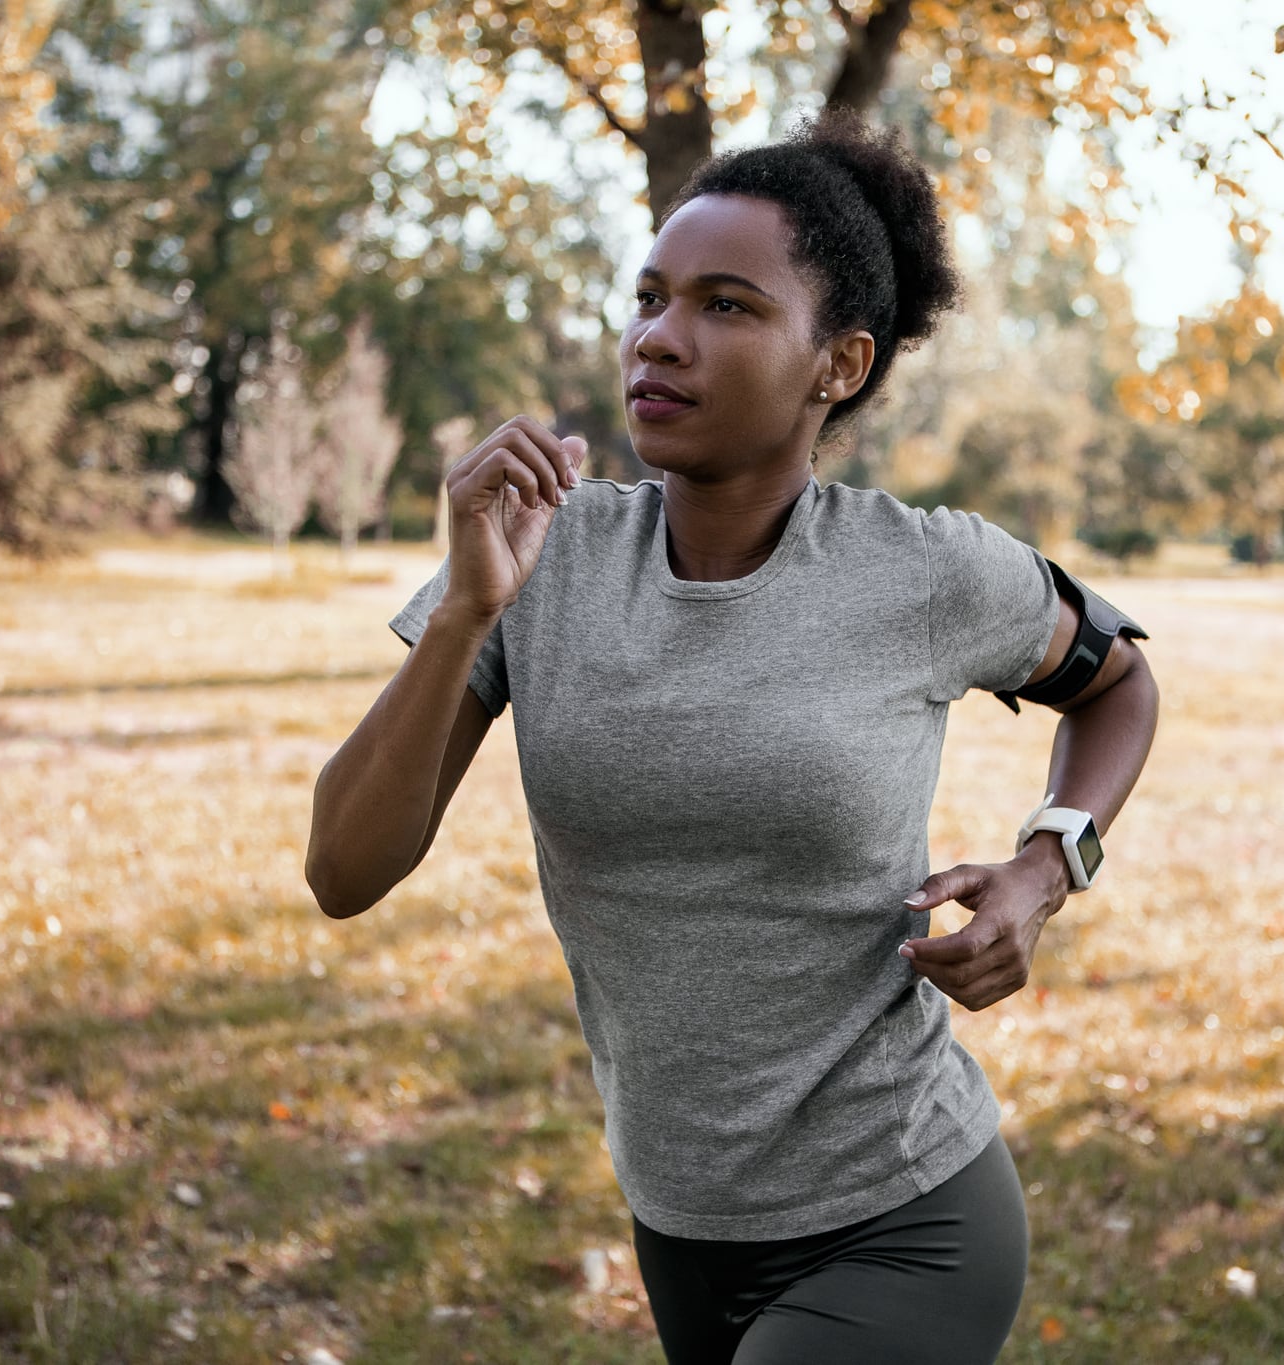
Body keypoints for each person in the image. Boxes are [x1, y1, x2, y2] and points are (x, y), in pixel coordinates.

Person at [304, 110, 1160, 1365]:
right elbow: (343, 871)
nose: (659, 335)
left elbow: (1118, 682)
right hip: (682, 1222)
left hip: (903, 1210)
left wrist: (1047, 865)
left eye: (725, 306)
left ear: (840, 364)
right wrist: (467, 612)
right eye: (649, 297)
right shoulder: (543, 561)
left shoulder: (923, 571)